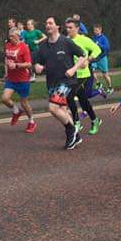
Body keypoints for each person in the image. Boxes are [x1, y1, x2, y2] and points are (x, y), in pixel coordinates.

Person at [33, 16, 90, 149]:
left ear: (58, 26)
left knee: (53, 108)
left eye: (50, 23)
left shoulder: (66, 42)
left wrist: (73, 68)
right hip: (52, 82)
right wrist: (36, 66)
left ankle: (70, 130)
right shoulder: (43, 45)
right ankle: (76, 137)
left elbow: (83, 56)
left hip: (67, 81)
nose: (47, 25)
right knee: (62, 111)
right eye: (46, 23)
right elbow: (35, 61)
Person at [64, 18, 103, 135]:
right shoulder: (65, 41)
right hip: (72, 75)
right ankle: (95, 120)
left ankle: (76, 122)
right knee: (83, 100)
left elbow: (97, 49)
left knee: (69, 96)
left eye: (71, 27)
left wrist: (89, 60)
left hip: (83, 75)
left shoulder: (84, 40)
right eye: (67, 27)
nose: (68, 30)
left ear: (77, 28)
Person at [2, 26, 36, 132]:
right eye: (9, 36)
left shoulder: (24, 47)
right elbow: (6, 59)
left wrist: (16, 65)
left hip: (22, 79)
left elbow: (29, 64)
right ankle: (16, 111)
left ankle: (31, 121)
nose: (10, 38)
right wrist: (6, 71)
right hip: (11, 79)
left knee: (24, 103)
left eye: (12, 36)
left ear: (18, 36)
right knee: (4, 99)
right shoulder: (7, 45)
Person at [91, 23, 114, 94]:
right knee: (91, 70)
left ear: (100, 30)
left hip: (102, 58)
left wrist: (99, 45)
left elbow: (107, 48)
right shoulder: (93, 38)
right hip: (95, 57)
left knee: (105, 74)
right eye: (94, 30)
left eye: (97, 30)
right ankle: (98, 83)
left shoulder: (104, 38)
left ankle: (110, 87)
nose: (95, 32)